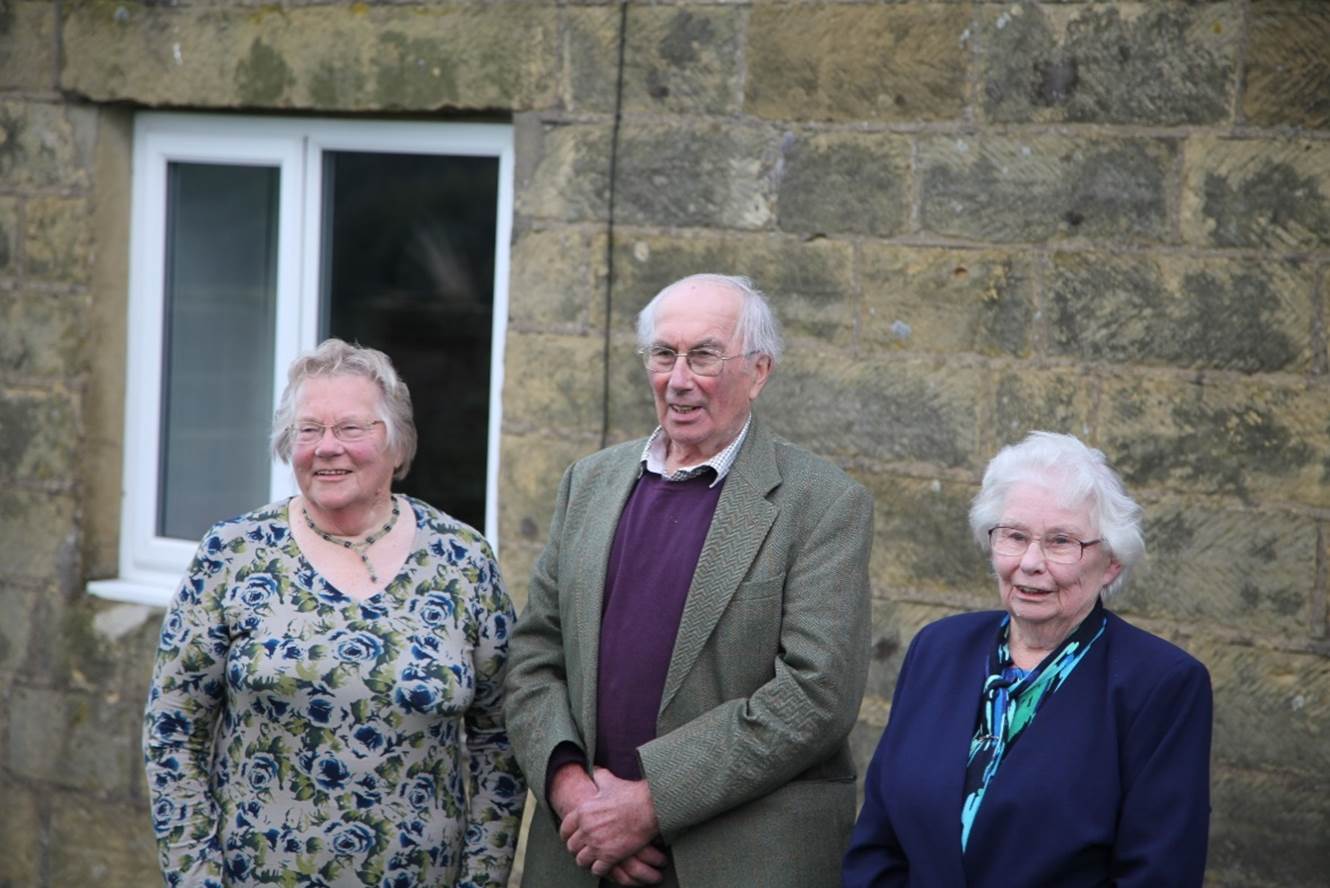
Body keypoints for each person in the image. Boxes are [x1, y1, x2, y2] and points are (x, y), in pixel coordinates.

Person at [504, 273, 874, 888]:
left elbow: (817, 696)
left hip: (742, 860)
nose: (679, 379)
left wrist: (647, 805)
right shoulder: (588, 483)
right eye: (663, 354)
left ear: (758, 372)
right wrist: (574, 793)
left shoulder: (823, 502)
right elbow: (534, 655)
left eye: (704, 355)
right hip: (582, 855)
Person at [143, 338, 524, 888]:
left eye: (350, 428)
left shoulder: (462, 560)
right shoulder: (233, 553)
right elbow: (173, 734)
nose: (327, 448)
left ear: (397, 445)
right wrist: (196, 878)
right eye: (309, 430)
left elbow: (500, 742)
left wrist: (481, 880)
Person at [843, 431, 1212, 887]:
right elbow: (878, 843)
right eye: (1015, 536)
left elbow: (1159, 873)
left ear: (1111, 562)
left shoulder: (1162, 685)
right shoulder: (936, 649)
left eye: (1061, 542)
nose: (1031, 562)